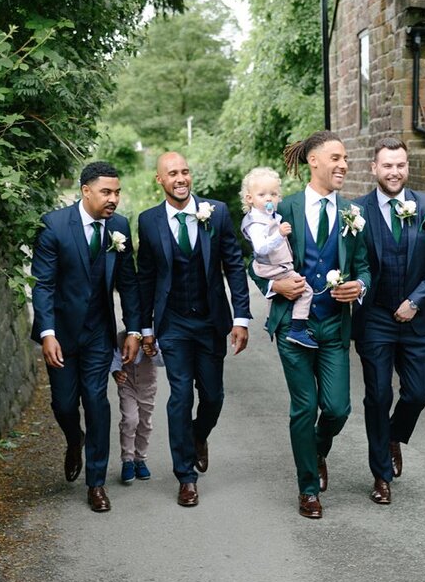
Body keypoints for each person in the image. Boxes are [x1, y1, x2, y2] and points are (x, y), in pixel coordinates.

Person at [250, 130, 370, 519]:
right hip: (292, 328)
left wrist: (359, 285)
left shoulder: (353, 214)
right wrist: (274, 284)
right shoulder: (281, 209)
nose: (344, 164)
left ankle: (317, 447)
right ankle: (307, 489)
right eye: (336, 157)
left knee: (337, 409)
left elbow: (364, 266)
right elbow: (252, 261)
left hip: (334, 326)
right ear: (313, 161)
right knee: (304, 407)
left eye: (346, 158)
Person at [136, 151, 251, 507]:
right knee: (181, 395)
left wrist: (241, 318)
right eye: (172, 173)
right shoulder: (149, 220)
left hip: (210, 320)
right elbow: (146, 277)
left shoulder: (215, 212)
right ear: (160, 180)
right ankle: (185, 476)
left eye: (185, 171)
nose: (181, 178)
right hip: (173, 324)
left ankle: (198, 436)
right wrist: (145, 328)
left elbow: (234, 264)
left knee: (213, 396)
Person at [30, 161, 141, 513]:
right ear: (86, 191)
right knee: (63, 404)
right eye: (106, 192)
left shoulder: (119, 227)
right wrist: (47, 332)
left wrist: (134, 329)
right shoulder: (55, 225)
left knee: (96, 402)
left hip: (98, 334)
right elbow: (44, 284)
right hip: (61, 334)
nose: (114, 199)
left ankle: (96, 483)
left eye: (117, 192)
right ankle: (73, 439)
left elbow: (129, 284)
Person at [351, 137, 425, 504]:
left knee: (419, 392)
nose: (394, 172)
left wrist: (415, 300)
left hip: (419, 318)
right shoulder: (356, 211)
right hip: (375, 318)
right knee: (377, 396)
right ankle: (380, 475)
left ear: (407, 167)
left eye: (400, 165)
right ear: (374, 168)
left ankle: (394, 434)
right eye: (387, 166)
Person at [239, 166, 317, 349]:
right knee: (305, 290)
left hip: (274, 264)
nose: (269, 198)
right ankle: (298, 329)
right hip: (273, 266)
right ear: (249, 198)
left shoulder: (268, 215)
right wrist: (280, 234)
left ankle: (269, 320)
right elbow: (260, 247)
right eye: (262, 194)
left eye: (273, 194)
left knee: (273, 296)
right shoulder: (255, 222)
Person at [109, 329, 163, 484]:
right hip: (128, 385)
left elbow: (162, 361)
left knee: (145, 423)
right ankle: (127, 460)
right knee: (130, 420)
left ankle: (140, 459)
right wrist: (116, 372)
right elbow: (114, 359)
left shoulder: (153, 337)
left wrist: (153, 352)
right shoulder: (120, 337)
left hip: (148, 387)